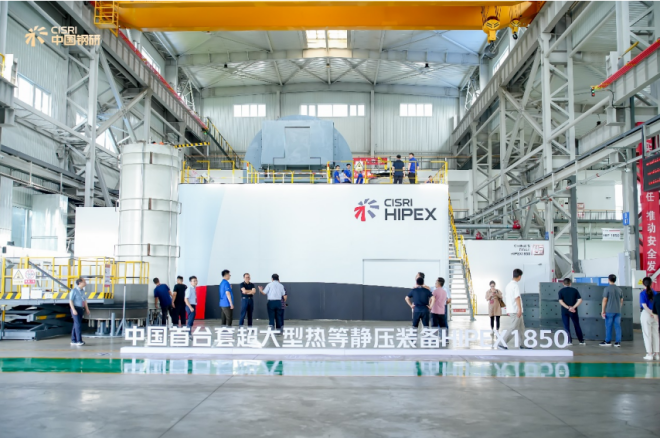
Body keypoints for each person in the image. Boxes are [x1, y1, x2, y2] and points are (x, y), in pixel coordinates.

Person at [500, 269, 528, 349]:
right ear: (519, 276)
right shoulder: (515, 285)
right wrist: (519, 309)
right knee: (513, 328)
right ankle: (502, 343)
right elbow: (517, 298)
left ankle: (522, 345)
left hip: (512, 309)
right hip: (515, 310)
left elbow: (508, 298)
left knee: (521, 329)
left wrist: (508, 309)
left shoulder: (508, 285)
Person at [558, 278, 585, 345]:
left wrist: (568, 307)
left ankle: (569, 341)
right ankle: (581, 341)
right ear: (570, 283)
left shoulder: (561, 291)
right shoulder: (574, 290)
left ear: (563, 283)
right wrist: (573, 307)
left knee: (566, 326)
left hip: (564, 311)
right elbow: (580, 300)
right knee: (576, 325)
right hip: (573, 311)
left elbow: (560, 301)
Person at [600, 274, 623, 347]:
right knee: (618, 326)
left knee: (608, 326)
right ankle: (618, 342)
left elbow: (604, 300)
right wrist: (619, 307)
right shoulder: (619, 289)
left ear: (608, 280)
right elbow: (621, 300)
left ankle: (608, 341)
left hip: (609, 310)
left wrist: (603, 310)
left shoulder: (607, 289)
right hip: (618, 311)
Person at [639, 277, 659, 360]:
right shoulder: (656, 293)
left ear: (643, 284)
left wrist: (651, 313)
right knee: (656, 334)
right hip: (656, 315)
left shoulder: (642, 293)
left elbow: (644, 306)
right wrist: (654, 313)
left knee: (647, 334)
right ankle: (657, 354)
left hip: (646, 314)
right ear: (651, 283)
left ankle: (649, 354)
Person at [69, 278, 90, 346]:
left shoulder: (82, 291)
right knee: (78, 325)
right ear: (80, 283)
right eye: (84, 282)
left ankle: (73, 340)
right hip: (75, 308)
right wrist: (73, 310)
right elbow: (71, 301)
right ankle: (79, 340)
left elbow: (84, 300)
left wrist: (87, 309)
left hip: (81, 309)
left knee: (76, 324)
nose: (85, 283)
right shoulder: (74, 291)